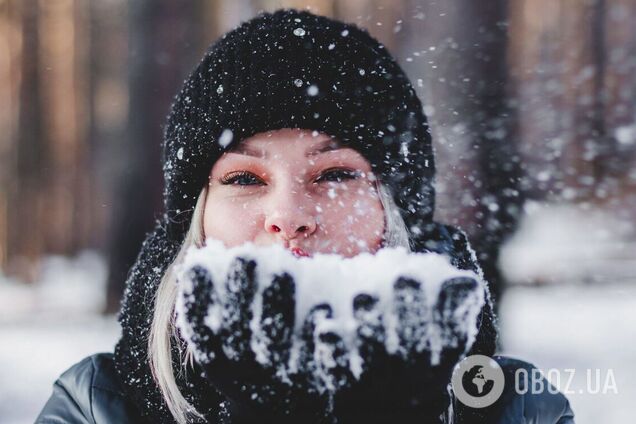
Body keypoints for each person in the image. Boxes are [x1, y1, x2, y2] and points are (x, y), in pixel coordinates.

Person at [36, 9, 575, 424]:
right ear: (196, 222)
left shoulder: (514, 408)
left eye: (335, 174)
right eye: (244, 178)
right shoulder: (94, 405)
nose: (289, 218)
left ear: (395, 212)